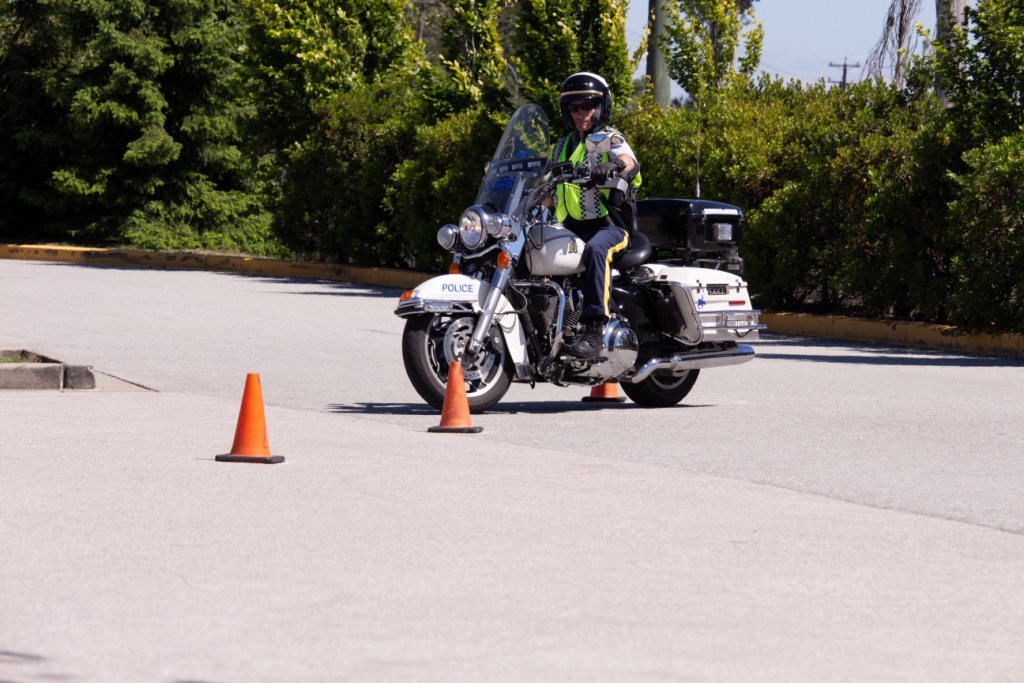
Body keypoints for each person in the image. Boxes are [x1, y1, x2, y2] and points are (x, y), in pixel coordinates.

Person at [547, 72, 641, 358]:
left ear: (599, 107)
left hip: (609, 227)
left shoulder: (609, 138)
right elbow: (552, 190)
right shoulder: (562, 145)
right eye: (573, 108)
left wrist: (613, 167)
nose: (580, 114)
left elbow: (629, 160)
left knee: (596, 250)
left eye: (586, 106)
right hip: (571, 228)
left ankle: (594, 333)